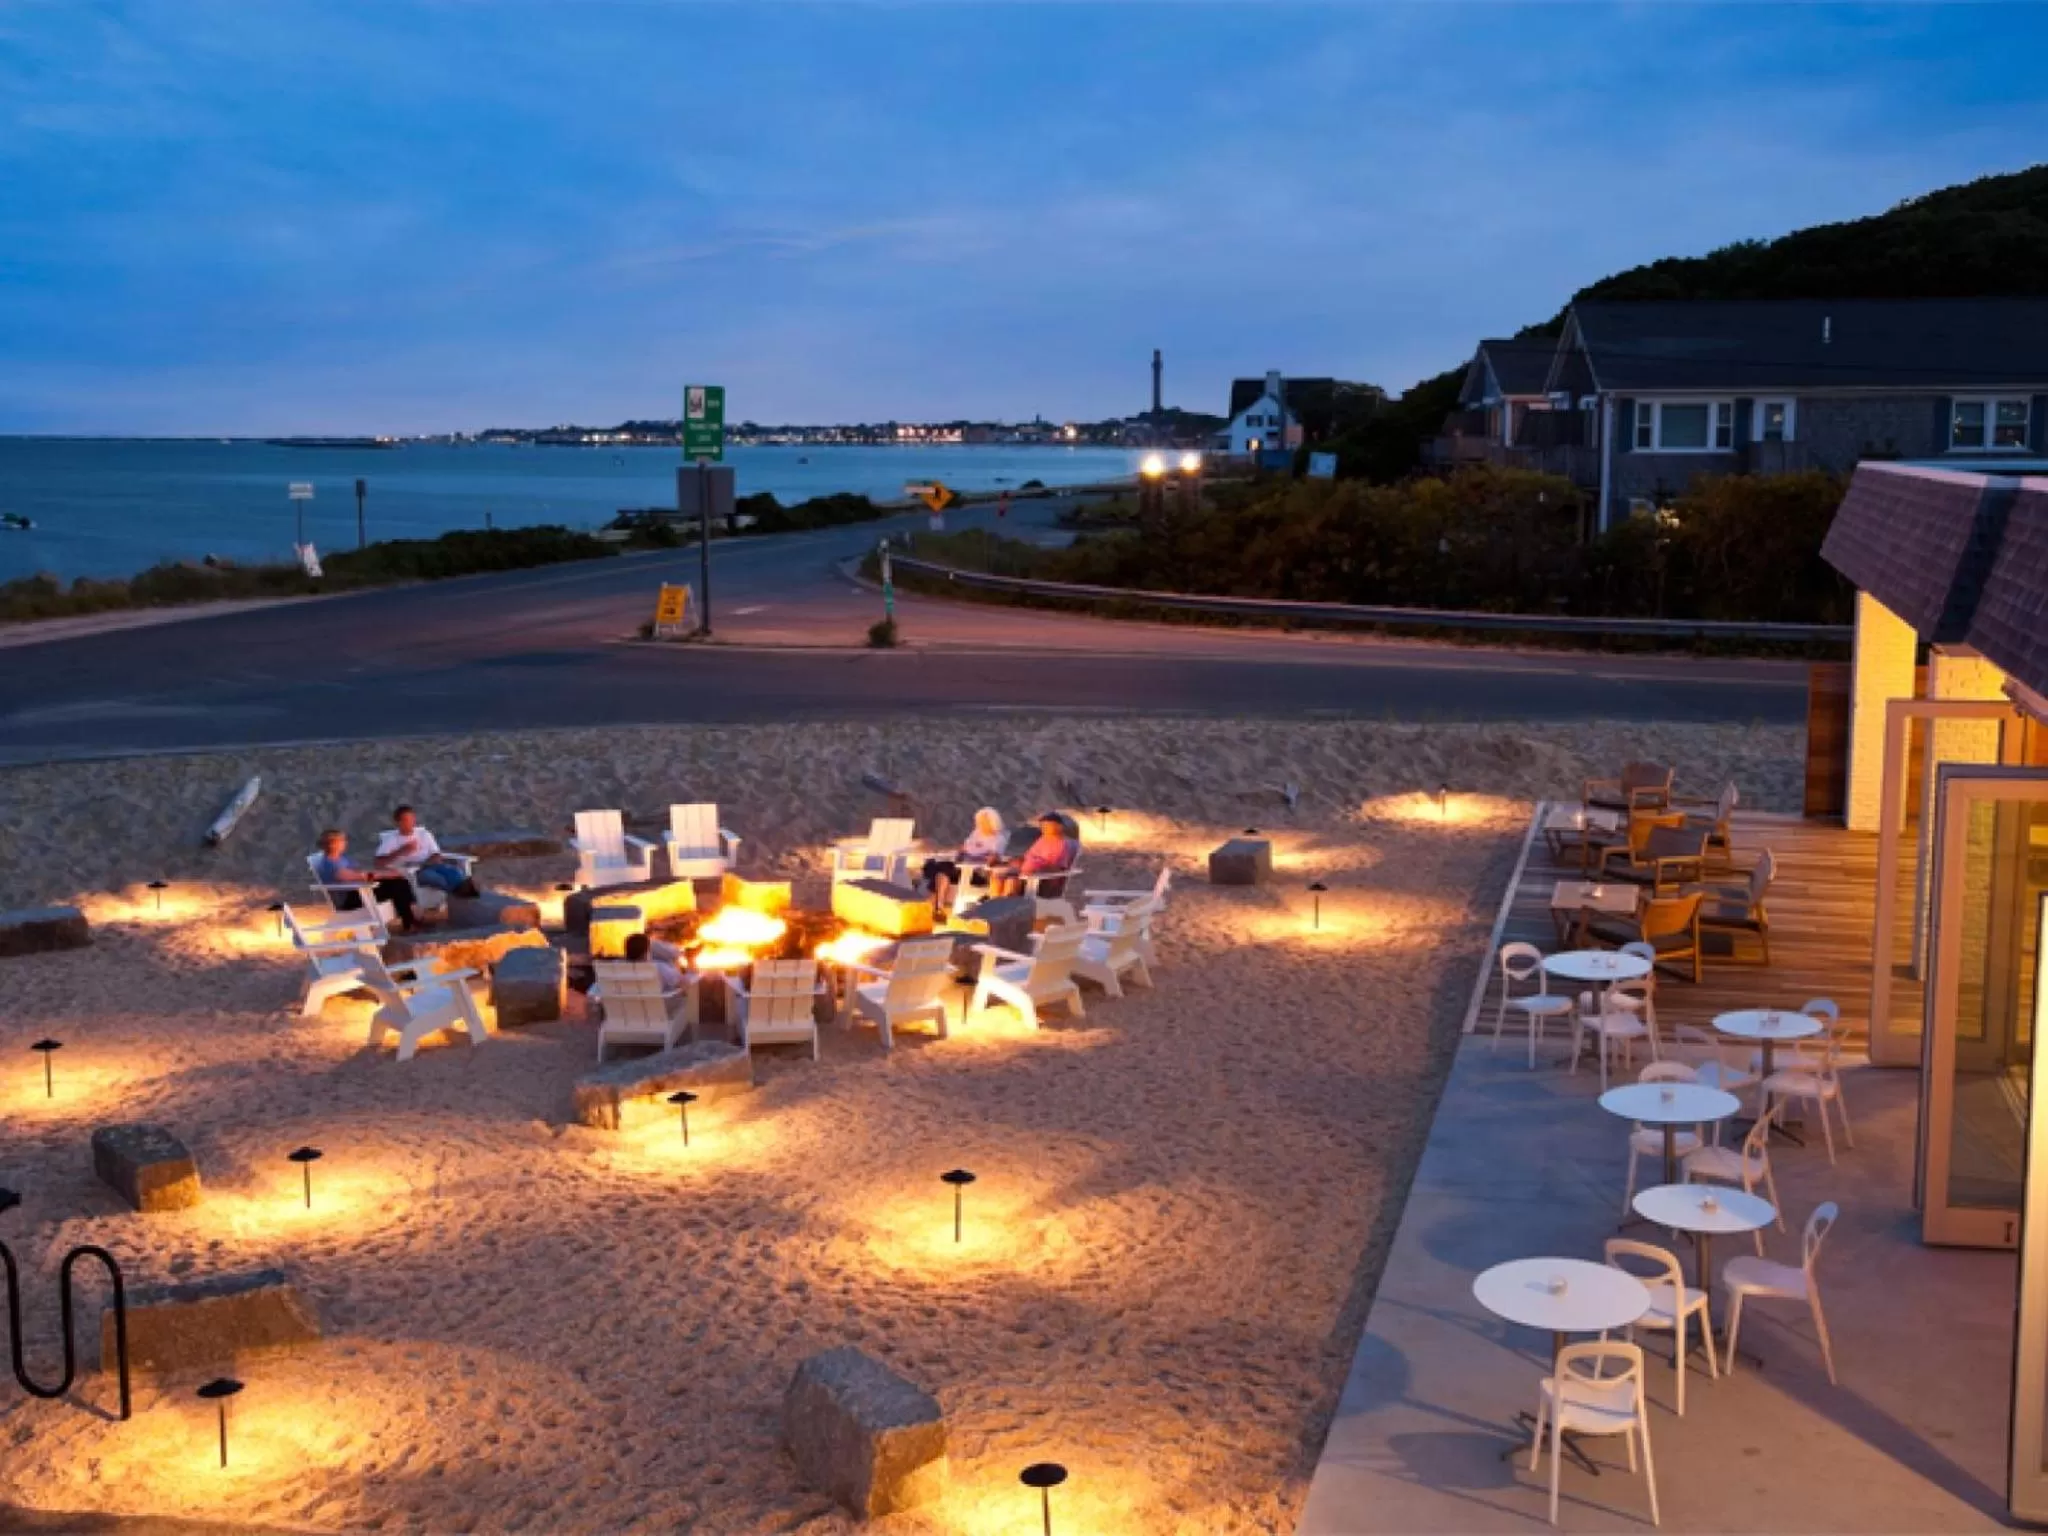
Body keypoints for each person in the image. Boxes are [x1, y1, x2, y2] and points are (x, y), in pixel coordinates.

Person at [312, 828, 419, 932]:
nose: (345, 843)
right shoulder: (329, 863)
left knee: (399, 881)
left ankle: (410, 918)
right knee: (396, 886)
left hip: (360, 890)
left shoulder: (341, 858)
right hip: (349, 899)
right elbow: (351, 876)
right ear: (333, 844)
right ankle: (409, 922)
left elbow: (360, 872)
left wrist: (386, 874)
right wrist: (385, 875)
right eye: (342, 840)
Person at [375, 805, 480, 898]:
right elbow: (379, 863)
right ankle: (464, 893)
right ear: (398, 822)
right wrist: (401, 851)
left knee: (455, 872)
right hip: (414, 872)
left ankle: (463, 893)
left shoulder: (424, 834)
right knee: (436, 879)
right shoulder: (391, 839)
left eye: (412, 819)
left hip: (431, 865)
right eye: (407, 820)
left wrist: (430, 861)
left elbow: (436, 853)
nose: (411, 823)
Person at [921, 807, 1008, 908]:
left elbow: (993, 859)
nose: (980, 824)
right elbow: (964, 848)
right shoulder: (977, 833)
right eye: (979, 822)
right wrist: (959, 853)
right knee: (936, 867)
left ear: (992, 822)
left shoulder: (998, 839)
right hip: (962, 867)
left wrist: (976, 858)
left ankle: (935, 904)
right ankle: (938, 905)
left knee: (939, 871)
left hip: (975, 873)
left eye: (983, 822)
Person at [990, 812, 1078, 899]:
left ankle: (1006, 906)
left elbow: (1057, 868)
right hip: (1024, 874)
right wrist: (1011, 861)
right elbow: (1027, 857)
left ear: (1059, 827)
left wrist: (1035, 871)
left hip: (1039, 881)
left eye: (1047, 826)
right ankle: (995, 903)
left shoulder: (1061, 844)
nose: (1044, 828)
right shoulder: (1042, 840)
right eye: (1043, 826)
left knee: (1011, 880)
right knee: (998, 877)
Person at [623, 931, 689, 994]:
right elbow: (682, 982)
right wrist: (677, 966)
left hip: (625, 1004)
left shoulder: (617, 967)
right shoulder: (659, 968)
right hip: (658, 1004)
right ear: (647, 952)